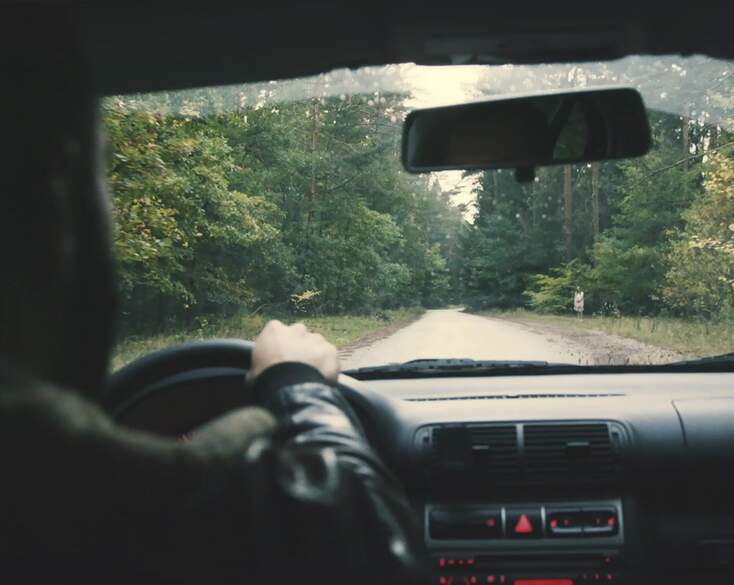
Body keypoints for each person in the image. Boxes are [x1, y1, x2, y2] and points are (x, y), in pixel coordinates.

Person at [0, 8, 424, 584]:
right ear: (53, 198)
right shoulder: (51, 459)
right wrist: (296, 387)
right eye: (102, 178)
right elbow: (367, 549)